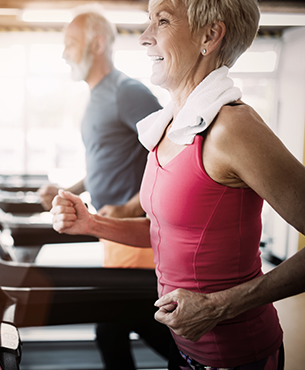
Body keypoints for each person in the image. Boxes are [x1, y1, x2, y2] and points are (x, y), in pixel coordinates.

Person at [51, 0, 305, 368]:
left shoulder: (233, 128)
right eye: (148, 22)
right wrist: (91, 224)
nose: (144, 37)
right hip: (184, 347)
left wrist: (218, 306)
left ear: (210, 35)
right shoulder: (171, 127)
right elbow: (164, 231)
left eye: (163, 21)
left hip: (236, 356)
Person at [38, 9, 174, 370]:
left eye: (70, 44)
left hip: (137, 238)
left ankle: (201, 362)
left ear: (97, 44)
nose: (65, 53)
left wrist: (132, 206)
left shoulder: (126, 91)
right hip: (111, 237)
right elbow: (104, 160)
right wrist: (69, 190)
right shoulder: (96, 96)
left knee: (133, 325)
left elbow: (169, 152)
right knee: (113, 328)